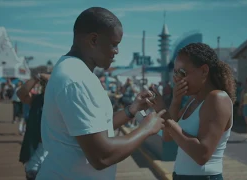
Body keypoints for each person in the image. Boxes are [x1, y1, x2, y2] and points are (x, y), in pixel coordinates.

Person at [36, 7, 165, 180]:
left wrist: (132, 109)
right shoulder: (76, 79)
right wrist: (147, 128)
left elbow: (94, 127)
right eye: (114, 44)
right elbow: (101, 156)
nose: (117, 51)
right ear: (94, 40)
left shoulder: (76, 71)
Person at [149, 43, 236, 180]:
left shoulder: (217, 98)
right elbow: (168, 137)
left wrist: (163, 112)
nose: (177, 79)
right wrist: (175, 101)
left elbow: (202, 155)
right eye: (175, 73)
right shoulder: (192, 100)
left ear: (204, 71)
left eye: (182, 73)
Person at [18, 73, 50, 180]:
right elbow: (21, 94)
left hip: (55, 150)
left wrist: (53, 77)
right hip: (35, 148)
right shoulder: (36, 99)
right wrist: (37, 77)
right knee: (32, 175)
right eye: (45, 84)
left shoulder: (63, 101)